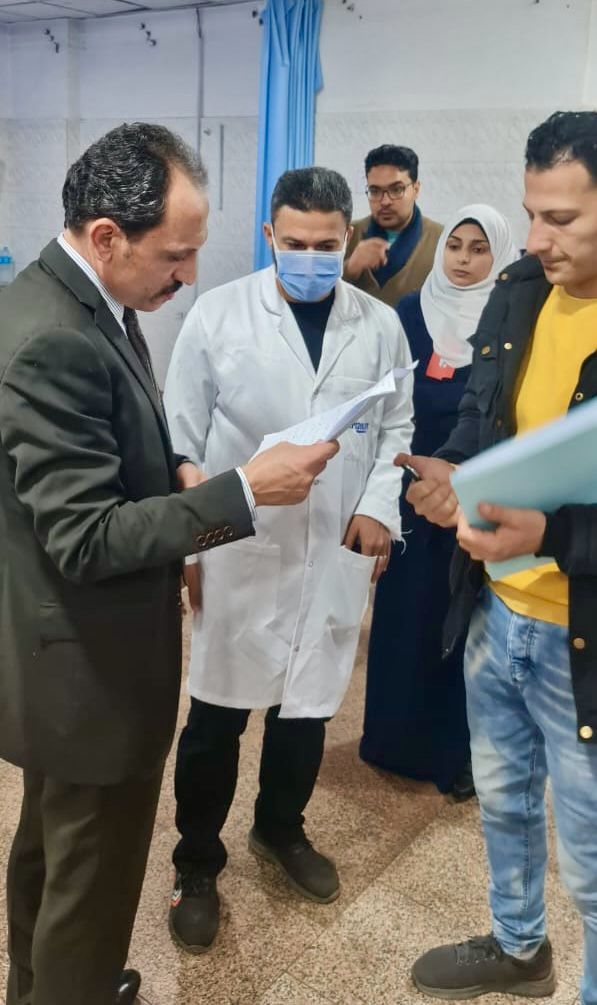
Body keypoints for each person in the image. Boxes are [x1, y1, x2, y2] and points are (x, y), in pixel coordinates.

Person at [0, 122, 337, 1005]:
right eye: (175, 255)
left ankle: (43, 986)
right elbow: (85, 536)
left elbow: (94, 463)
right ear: (107, 235)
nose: (186, 275)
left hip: (60, 656)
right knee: (90, 882)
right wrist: (241, 492)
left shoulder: (68, 300)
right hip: (89, 667)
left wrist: (171, 472)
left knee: (52, 855)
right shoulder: (56, 337)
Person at [163, 165, 414, 954]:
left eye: (326, 245)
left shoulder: (378, 325)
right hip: (239, 548)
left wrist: (377, 508)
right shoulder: (219, 313)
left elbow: (396, 426)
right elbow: (180, 432)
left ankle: (280, 826)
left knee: (305, 707)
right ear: (270, 235)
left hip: (330, 544)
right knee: (215, 716)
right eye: (295, 243)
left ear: (348, 239)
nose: (310, 257)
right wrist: (190, 533)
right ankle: (196, 862)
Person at [400, 111, 597, 1004]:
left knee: (590, 860)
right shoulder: (520, 289)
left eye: (560, 218)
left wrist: (550, 535)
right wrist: (454, 472)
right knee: (505, 800)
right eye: (530, 213)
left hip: (579, 640)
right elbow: (484, 416)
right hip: (496, 608)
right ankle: (520, 948)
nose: (535, 239)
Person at [361, 205, 519, 799]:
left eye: (480, 249)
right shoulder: (409, 311)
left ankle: (456, 753)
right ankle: (391, 741)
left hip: (474, 491)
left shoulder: (508, 318)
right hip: (409, 485)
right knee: (405, 615)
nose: (463, 259)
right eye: (455, 245)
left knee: (462, 622)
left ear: (498, 255)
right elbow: (385, 400)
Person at [343, 144, 442, 307]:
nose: (385, 201)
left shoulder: (442, 240)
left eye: (396, 190)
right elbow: (315, 296)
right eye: (375, 191)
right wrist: (349, 269)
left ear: (416, 189)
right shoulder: (347, 235)